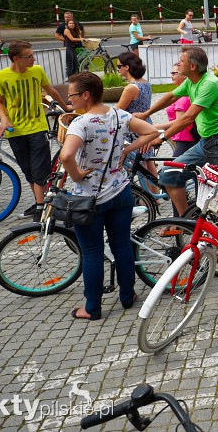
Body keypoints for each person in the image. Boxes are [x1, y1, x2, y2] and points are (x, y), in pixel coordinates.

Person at [59, 72, 159, 320]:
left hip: (88, 198)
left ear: (86, 94)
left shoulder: (80, 124)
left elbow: (65, 156)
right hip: (120, 191)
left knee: (92, 252)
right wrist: (127, 148)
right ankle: (127, 296)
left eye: (72, 96)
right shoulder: (119, 115)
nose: (70, 101)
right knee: (122, 245)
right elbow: (152, 131)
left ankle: (92, 308)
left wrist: (77, 175)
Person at [134, 47, 218, 220]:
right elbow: (171, 96)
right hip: (206, 141)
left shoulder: (208, 83)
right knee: (168, 175)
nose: (177, 64)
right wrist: (146, 113)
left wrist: (161, 138)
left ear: (192, 66)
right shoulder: (191, 81)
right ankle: (187, 222)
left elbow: (188, 118)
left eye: (181, 61)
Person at [0, 41, 70, 217]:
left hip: (37, 127)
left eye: (32, 55)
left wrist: (66, 108)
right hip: (15, 130)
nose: (33, 59)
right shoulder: (1, 76)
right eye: (29, 56)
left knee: (39, 169)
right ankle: (42, 203)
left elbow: (50, 90)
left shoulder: (37, 71)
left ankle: (40, 206)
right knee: (28, 170)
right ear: (16, 58)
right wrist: (4, 119)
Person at [116, 51, 159, 189]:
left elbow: (118, 111)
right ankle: (156, 192)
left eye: (118, 66)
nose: (117, 69)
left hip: (134, 128)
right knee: (148, 161)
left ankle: (147, 194)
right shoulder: (145, 83)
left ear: (127, 67)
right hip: (147, 123)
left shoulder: (131, 88)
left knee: (139, 163)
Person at [164, 63, 199, 157]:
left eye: (174, 73)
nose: (172, 76)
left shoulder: (183, 98)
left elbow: (180, 121)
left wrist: (157, 127)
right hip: (180, 137)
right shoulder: (182, 92)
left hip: (185, 138)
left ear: (184, 75)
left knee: (172, 170)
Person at [56, 11, 82, 76]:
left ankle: (73, 77)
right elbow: (57, 36)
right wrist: (65, 40)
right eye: (65, 17)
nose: (67, 18)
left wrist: (81, 37)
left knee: (75, 65)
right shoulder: (64, 28)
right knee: (70, 65)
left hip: (74, 47)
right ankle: (70, 79)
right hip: (68, 48)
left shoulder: (75, 27)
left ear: (72, 17)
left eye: (68, 17)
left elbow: (80, 32)